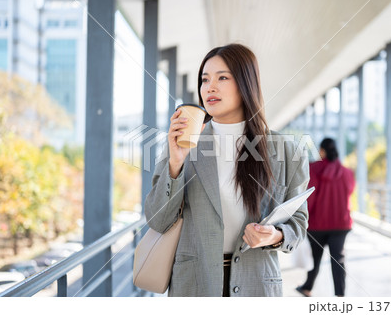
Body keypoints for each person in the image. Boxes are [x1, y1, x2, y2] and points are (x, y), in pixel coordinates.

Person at [144, 43, 309, 297]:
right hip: (194, 287)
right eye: (205, 79)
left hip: (258, 288)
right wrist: (175, 163)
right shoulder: (184, 143)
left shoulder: (287, 151)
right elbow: (158, 220)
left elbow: (298, 224)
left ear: (246, 83)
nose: (210, 87)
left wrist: (274, 236)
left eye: (222, 77)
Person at [296, 138, 355, 297]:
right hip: (341, 224)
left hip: (317, 224)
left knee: (315, 258)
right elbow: (349, 192)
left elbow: (309, 196)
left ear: (322, 151)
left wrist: (303, 218)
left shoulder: (313, 169)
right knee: (338, 259)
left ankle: (307, 287)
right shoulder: (347, 172)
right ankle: (340, 296)